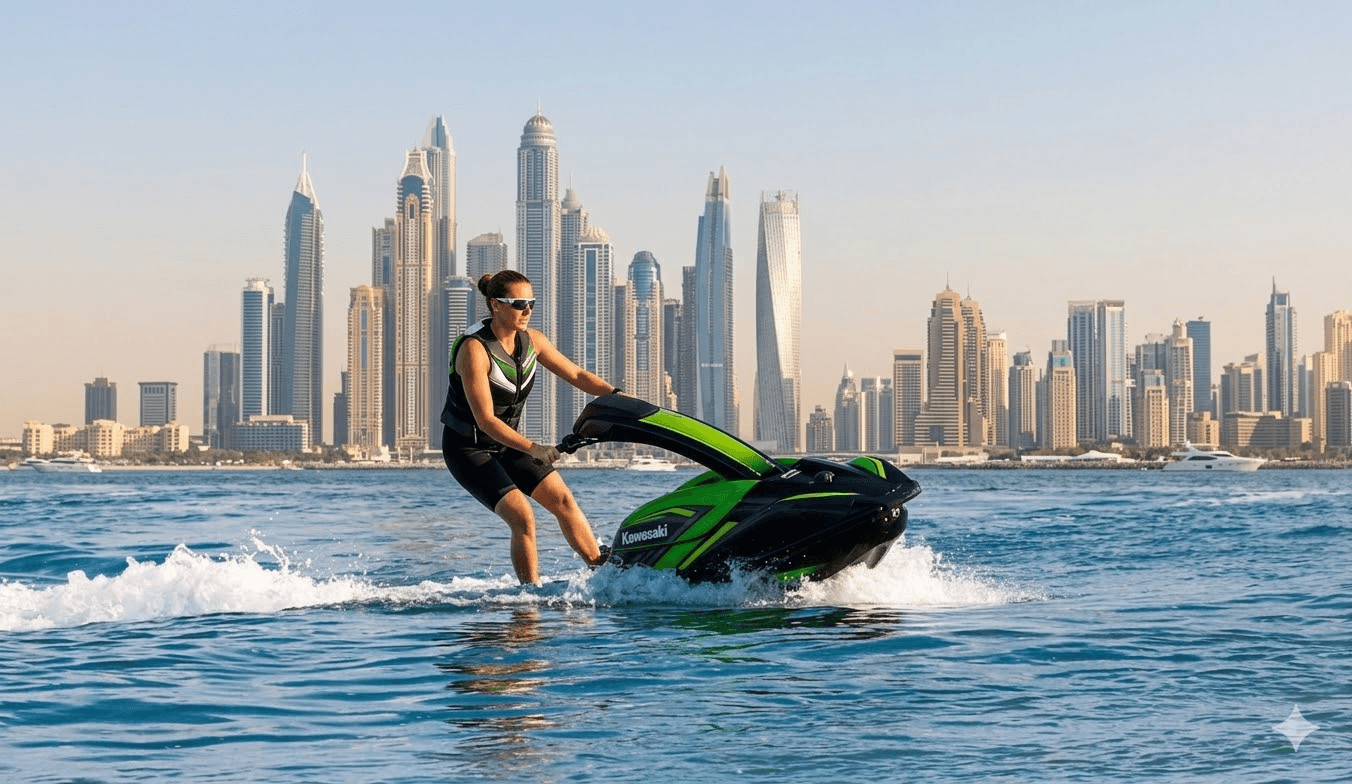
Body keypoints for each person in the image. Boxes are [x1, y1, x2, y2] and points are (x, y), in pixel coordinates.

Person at [440, 269, 618, 584]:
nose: (527, 310)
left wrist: (617, 396)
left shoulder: (533, 341)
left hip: (508, 445)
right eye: (518, 303)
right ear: (496, 305)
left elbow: (576, 375)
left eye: (531, 303)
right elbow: (486, 420)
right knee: (522, 517)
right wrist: (535, 448)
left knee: (563, 500)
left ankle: (601, 571)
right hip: (468, 448)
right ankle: (530, 597)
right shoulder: (474, 350)